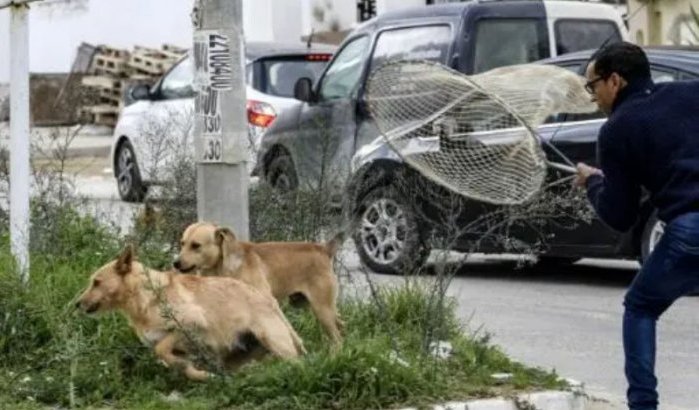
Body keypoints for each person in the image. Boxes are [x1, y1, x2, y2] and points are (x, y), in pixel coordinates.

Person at [574, 41, 699, 410]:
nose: (593, 96)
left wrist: (594, 182)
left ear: (615, 81)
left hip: (690, 229)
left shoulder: (617, 129)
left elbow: (620, 216)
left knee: (640, 307)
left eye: (592, 86)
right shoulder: (690, 93)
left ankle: (643, 404)